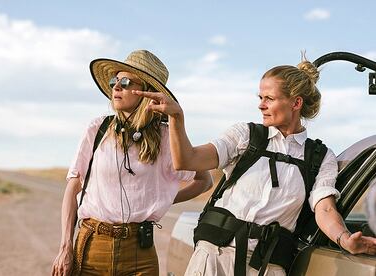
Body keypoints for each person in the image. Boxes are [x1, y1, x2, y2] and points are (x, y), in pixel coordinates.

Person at [134, 56, 376, 276]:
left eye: (269, 99)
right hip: (214, 258)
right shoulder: (245, 135)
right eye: (260, 98)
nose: (261, 105)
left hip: (267, 267)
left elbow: (324, 209)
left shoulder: (321, 157)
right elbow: (188, 160)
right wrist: (177, 118)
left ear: (296, 103)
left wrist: (345, 239)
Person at [51, 50, 212, 276]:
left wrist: (158, 200)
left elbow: (204, 180)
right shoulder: (98, 130)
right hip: (92, 248)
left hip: (140, 254)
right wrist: (65, 247)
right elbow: (73, 187)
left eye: (125, 82)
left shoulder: (166, 137)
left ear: (147, 92)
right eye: (114, 81)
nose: (116, 87)